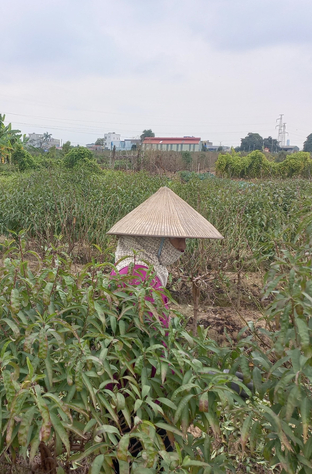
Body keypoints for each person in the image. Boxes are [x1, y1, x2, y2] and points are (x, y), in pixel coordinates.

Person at [106, 186, 223, 466]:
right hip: (139, 389)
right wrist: (182, 379)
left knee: (130, 450)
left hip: (132, 386)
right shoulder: (138, 277)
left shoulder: (136, 268)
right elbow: (153, 346)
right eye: (177, 236)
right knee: (149, 451)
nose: (182, 246)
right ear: (153, 239)